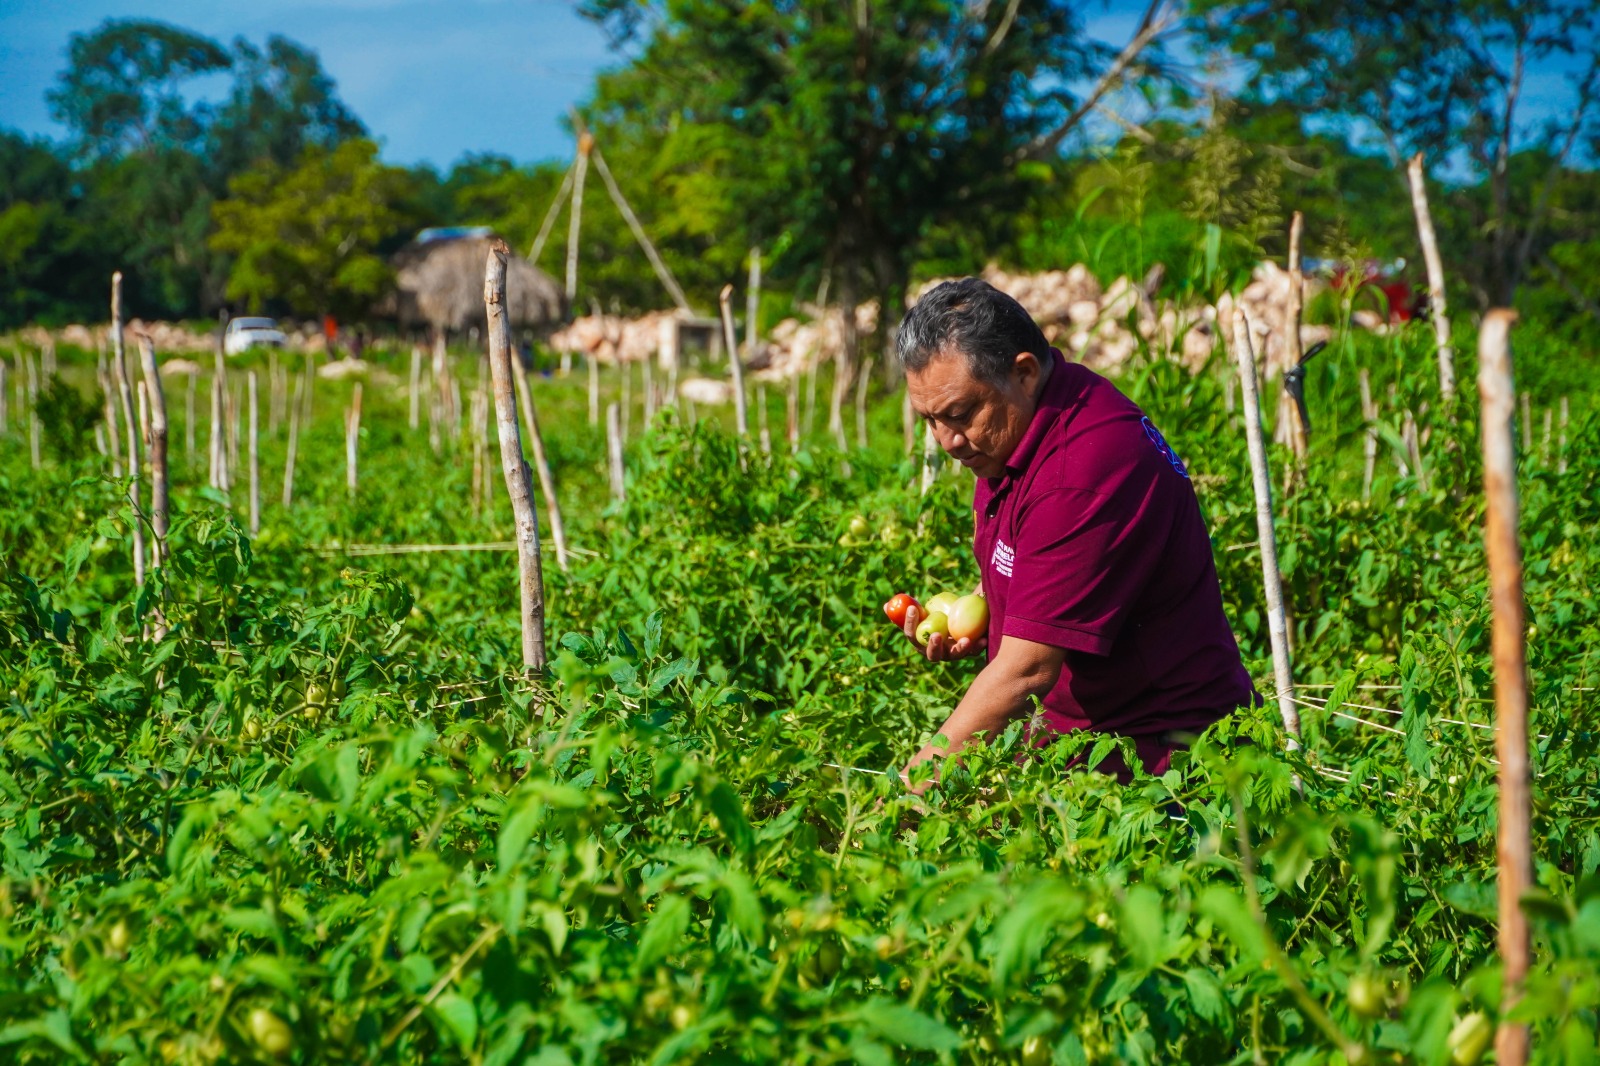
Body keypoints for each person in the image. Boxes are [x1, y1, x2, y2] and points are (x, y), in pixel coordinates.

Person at [896, 278, 1257, 785]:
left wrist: (900, 800)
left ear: (1022, 373)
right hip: (1074, 746)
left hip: (1163, 767)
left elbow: (1025, 672)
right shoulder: (1020, 428)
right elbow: (1042, 558)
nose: (947, 440)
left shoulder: (1079, 471)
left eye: (959, 414)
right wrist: (985, 610)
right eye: (929, 420)